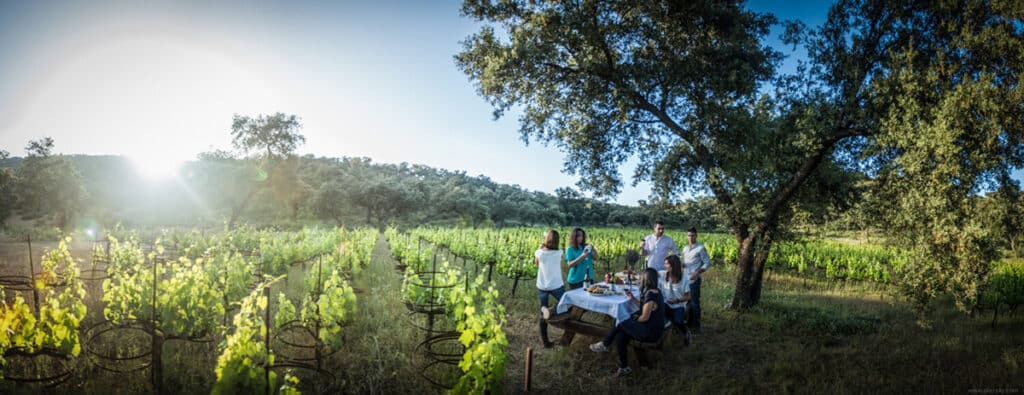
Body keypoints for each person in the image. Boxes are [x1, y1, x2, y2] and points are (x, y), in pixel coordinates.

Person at [589, 268, 665, 377]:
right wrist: (633, 298)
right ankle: (624, 367)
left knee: (620, 319)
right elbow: (645, 308)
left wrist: (632, 320)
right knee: (621, 335)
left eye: (641, 278)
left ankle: (605, 344)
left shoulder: (650, 295)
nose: (639, 280)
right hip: (653, 328)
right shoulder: (656, 291)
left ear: (645, 279)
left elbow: (644, 317)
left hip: (651, 332)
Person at [535, 229, 564, 348]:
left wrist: (540, 247)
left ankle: (545, 342)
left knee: (543, 314)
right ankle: (553, 310)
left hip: (542, 286)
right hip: (556, 285)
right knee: (567, 303)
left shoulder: (539, 252)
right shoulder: (559, 253)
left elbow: (536, 263)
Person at [682, 227, 710, 333]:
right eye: (689, 235)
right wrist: (681, 264)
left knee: (694, 303)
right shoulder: (685, 248)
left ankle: (697, 327)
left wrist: (697, 272)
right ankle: (689, 323)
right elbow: (684, 262)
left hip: (694, 280)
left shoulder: (700, 248)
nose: (690, 237)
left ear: (696, 236)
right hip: (685, 279)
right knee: (686, 302)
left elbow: (707, 263)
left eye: (692, 235)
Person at [661, 255, 690, 336]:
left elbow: (688, 297)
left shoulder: (684, 278)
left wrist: (677, 300)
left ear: (673, 265)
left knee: (678, 322)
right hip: (666, 304)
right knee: (656, 313)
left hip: (678, 306)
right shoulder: (664, 274)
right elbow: (652, 273)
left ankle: (686, 332)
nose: (664, 266)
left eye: (666, 264)